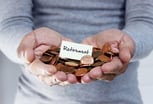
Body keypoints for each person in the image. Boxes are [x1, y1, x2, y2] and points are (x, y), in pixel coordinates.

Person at [0, 0, 153, 104]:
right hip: (36, 99)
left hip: (121, 99)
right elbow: (10, 24)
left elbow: (145, 21)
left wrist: (129, 44)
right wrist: (28, 48)